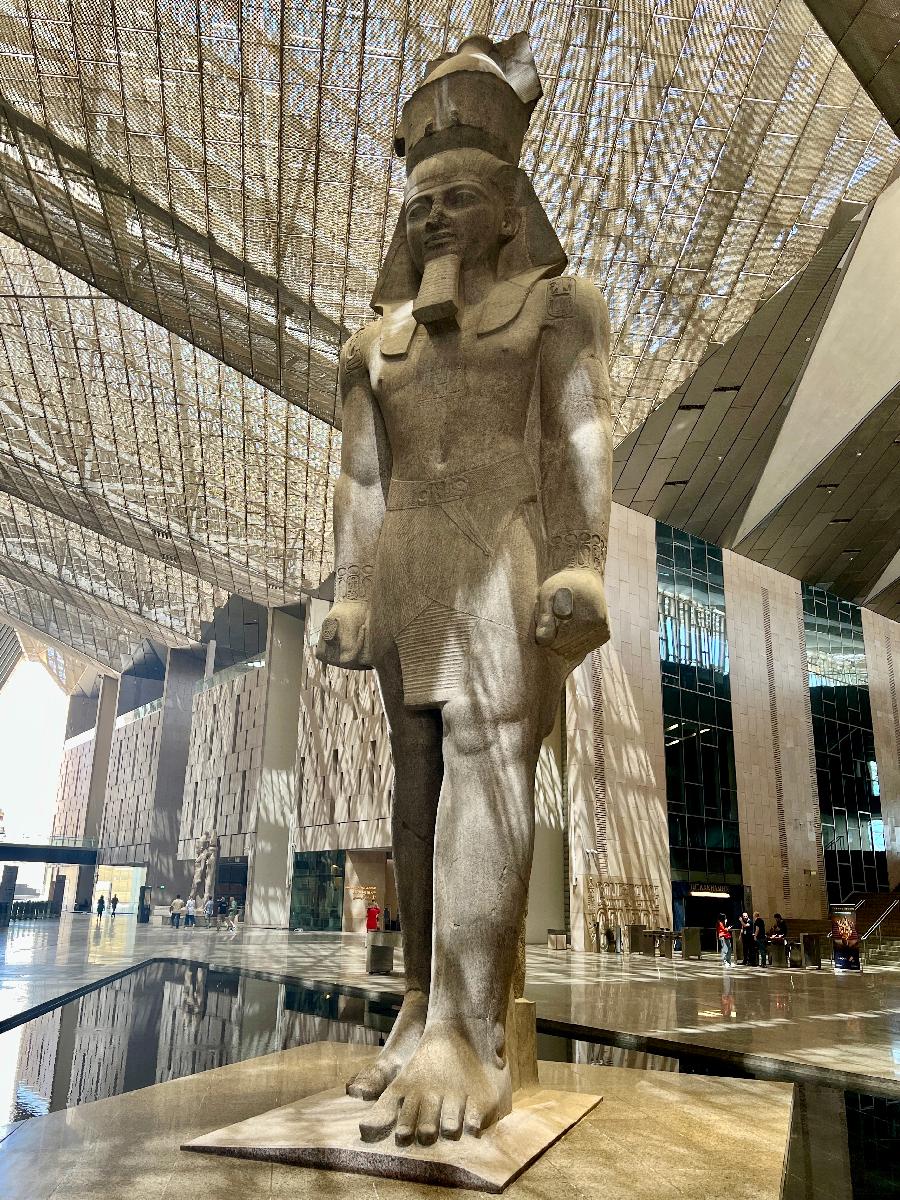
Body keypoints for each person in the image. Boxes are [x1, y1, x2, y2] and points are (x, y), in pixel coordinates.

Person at [314, 33, 612, 1147]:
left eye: (459, 196)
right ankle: (415, 1006)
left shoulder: (554, 305)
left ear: (507, 210)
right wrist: (349, 591)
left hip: (504, 536)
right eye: (419, 200)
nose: (432, 214)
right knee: (415, 785)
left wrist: (584, 559)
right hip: (408, 554)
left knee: (492, 760)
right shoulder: (371, 349)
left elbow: (579, 431)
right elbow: (360, 477)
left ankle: (470, 1031)